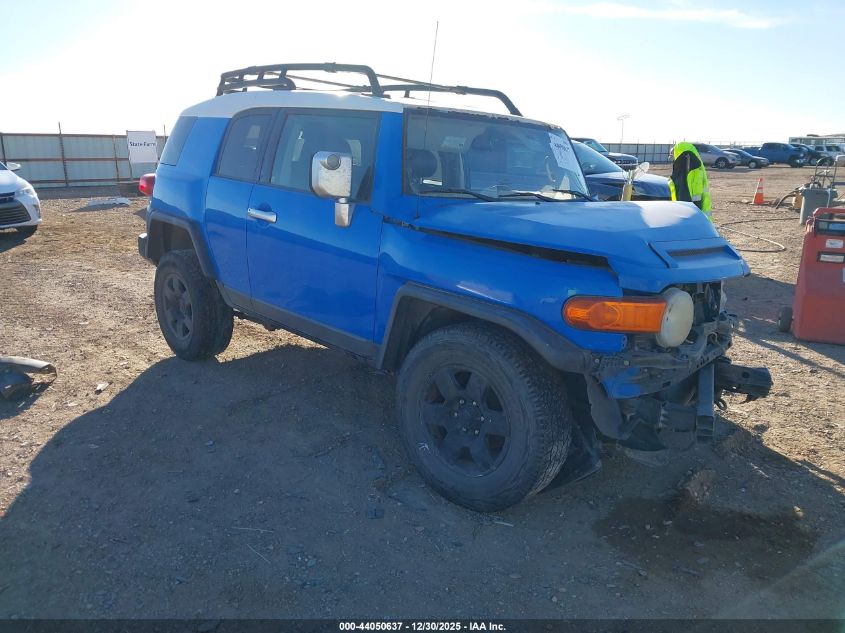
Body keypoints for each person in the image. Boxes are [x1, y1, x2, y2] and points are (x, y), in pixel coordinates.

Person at [669, 142, 712, 221]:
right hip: (697, 207)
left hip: (689, 208)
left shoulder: (686, 168)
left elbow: (683, 191)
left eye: (673, 154)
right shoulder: (697, 167)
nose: (673, 157)